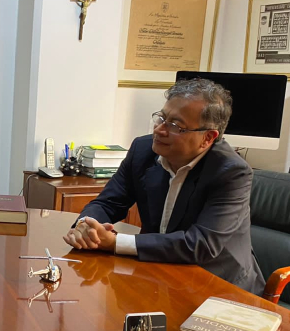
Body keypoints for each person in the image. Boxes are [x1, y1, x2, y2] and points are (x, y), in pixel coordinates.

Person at [63, 78, 265, 296]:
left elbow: (200, 245)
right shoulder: (142, 150)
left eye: (175, 126)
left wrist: (114, 242)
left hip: (218, 286)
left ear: (207, 138)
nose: (160, 130)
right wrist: (87, 226)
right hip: (159, 272)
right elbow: (109, 202)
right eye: (161, 118)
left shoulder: (231, 172)